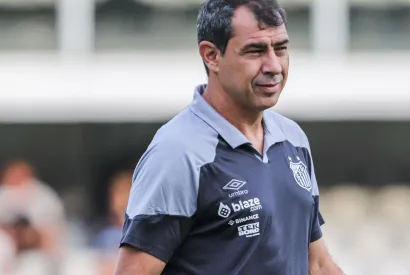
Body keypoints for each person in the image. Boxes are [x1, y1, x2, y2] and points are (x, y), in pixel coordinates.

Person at [114, 0, 343, 274]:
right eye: (255, 51)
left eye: (280, 48)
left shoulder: (292, 139)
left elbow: (316, 263)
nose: (274, 66)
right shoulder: (177, 153)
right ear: (211, 56)